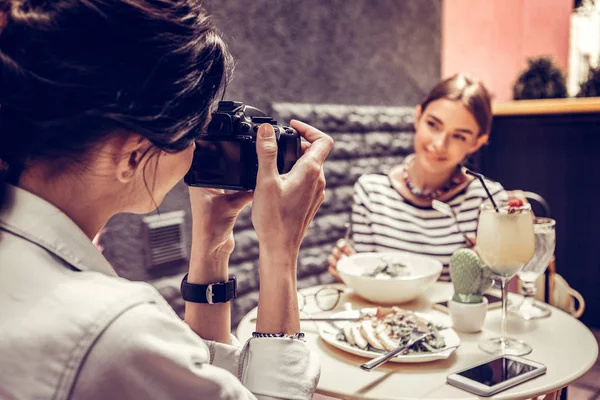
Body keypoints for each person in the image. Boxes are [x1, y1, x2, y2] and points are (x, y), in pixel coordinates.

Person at [0, 1, 333, 399]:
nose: (199, 148)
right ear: (134, 155)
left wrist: (211, 242)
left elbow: (190, 374)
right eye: (195, 132)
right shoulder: (110, 330)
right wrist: (281, 252)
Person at [328, 74, 507, 281]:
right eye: (433, 124)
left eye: (459, 136)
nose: (440, 144)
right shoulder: (371, 192)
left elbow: (498, 291)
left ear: (476, 143)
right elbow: (366, 279)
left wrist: (490, 268)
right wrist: (348, 273)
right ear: (418, 117)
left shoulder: (488, 200)